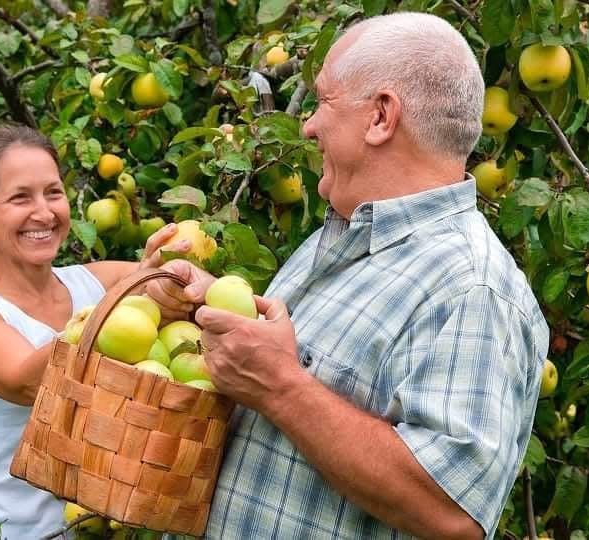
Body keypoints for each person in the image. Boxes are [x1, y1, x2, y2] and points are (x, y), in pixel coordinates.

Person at [147, 12, 549, 540]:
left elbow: (452, 514)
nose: (308, 126)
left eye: (324, 101)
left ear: (381, 116)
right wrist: (205, 308)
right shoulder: (343, 236)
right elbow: (283, 365)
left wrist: (282, 388)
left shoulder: (470, 286)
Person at [0, 124, 187, 539]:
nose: (44, 212)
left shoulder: (99, 282)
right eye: (20, 197)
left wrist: (170, 279)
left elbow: (185, 288)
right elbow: (28, 382)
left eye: (53, 193)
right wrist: (129, 302)